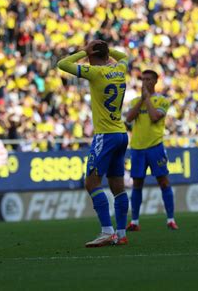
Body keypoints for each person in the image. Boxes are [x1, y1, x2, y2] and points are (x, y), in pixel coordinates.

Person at [57, 40, 130, 247]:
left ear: (91, 55)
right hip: (121, 134)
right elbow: (124, 57)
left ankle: (107, 231)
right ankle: (121, 233)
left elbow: (63, 64)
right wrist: (105, 49)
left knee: (91, 183)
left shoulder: (94, 73)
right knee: (118, 186)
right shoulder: (119, 69)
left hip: (105, 136)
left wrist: (83, 51)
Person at [125, 70, 178, 231]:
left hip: (155, 147)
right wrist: (142, 99)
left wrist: (147, 98)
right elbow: (128, 118)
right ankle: (134, 221)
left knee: (163, 181)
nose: (145, 82)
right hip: (137, 148)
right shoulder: (135, 100)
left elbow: (155, 117)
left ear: (155, 81)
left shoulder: (162, 100)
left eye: (149, 79)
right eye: (143, 79)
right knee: (137, 184)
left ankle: (170, 219)